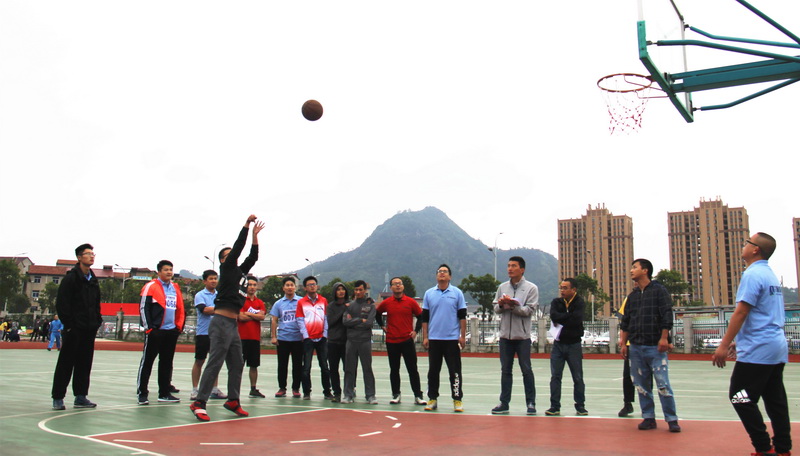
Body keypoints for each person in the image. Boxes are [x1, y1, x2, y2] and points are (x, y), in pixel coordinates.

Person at [712, 232, 791, 456]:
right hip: (775, 346)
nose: (744, 245)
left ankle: (763, 447)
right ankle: (783, 448)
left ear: (755, 249)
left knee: (740, 397)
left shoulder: (752, 274)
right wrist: (739, 341)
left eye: (748, 242)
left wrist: (724, 344)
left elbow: (741, 311)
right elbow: (763, 313)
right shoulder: (770, 275)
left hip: (759, 348)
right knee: (775, 401)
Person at [190, 215, 264, 421]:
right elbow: (239, 247)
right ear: (223, 259)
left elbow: (253, 257)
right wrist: (246, 226)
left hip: (232, 324)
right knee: (215, 362)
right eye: (228, 254)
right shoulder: (227, 268)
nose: (233, 255)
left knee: (237, 363)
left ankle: (233, 400)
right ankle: (199, 402)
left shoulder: (240, 273)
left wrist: (255, 236)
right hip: (221, 322)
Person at [619, 258, 681, 433]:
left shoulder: (659, 291)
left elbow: (666, 315)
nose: (631, 270)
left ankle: (671, 419)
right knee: (641, 385)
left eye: (635, 267)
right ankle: (648, 417)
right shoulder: (632, 296)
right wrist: (623, 343)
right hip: (636, 347)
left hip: (655, 346)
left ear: (645, 270)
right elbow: (626, 321)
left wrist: (664, 338)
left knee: (663, 383)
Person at [50, 243, 103, 410]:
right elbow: (62, 303)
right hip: (74, 329)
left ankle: (81, 396)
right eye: (88, 254)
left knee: (84, 363)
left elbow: (96, 303)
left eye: (93, 254)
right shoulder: (71, 278)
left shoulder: (93, 279)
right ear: (79, 257)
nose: (92, 256)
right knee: (66, 363)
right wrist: (70, 325)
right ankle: (58, 397)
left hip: (89, 328)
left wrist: (97, 321)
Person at [490, 256, 538, 415]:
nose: (510, 268)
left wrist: (512, 306)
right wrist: (502, 304)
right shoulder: (502, 287)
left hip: (522, 338)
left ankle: (531, 403)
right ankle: (504, 403)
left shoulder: (531, 288)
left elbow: (529, 310)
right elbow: (495, 308)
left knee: (526, 370)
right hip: (505, 337)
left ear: (522, 269)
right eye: (508, 265)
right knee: (505, 370)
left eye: (514, 266)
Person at [137, 260, 186, 405]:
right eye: (166, 270)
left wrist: (178, 327)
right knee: (147, 362)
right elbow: (143, 308)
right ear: (159, 272)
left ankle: (164, 393)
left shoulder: (175, 287)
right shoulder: (150, 286)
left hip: (171, 332)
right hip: (156, 331)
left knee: (166, 363)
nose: (169, 272)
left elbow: (180, 308)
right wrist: (150, 328)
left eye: (171, 269)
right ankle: (142, 393)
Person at [421, 264, 467, 413]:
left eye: (445, 271)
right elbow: (425, 318)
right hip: (434, 339)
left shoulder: (457, 293)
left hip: (452, 339)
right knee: (433, 371)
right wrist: (425, 336)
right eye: (439, 271)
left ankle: (457, 399)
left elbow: (462, 316)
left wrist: (462, 336)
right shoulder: (429, 293)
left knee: (455, 371)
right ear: (436, 276)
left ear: (450, 276)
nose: (442, 273)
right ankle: (432, 398)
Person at [376, 277, 426, 406]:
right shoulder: (387, 303)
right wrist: (382, 326)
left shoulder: (411, 302)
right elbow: (377, 313)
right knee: (394, 369)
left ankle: (418, 395)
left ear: (403, 286)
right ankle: (396, 394)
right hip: (392, 341)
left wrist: (416, 331)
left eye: (400, 283)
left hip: (407, 340)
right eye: (395, 284)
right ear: (391, 287)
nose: (398, 286)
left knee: (412, 369)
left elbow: (420, 316)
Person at [546, 278, 587, 416]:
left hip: (574, 344)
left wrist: (563, 318)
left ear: (573, 289)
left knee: (578, 376)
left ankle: (580, 405)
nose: (562, 290)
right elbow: (554, 316)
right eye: (561, 288)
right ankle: (554, 406)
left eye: (565, 288)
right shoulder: (556, 302)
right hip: (558, 344)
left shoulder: (579, 302)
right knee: (555, 376)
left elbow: (577, 319)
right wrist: (568, 317)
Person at [191, 270, 226, 401]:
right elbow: (204, 310)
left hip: (218, 334)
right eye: (211, 279)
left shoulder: (220, 295)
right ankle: (195, 390)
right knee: (199, 361)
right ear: (205, 281)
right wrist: (220, 308)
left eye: (215, 278)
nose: (213, 281)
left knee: (215, 362)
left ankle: (214, 389)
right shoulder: (200, 295)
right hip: (203, 333)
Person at [295, 276, 332, 400]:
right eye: (309, 284)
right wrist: (306, 336)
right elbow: (300, 320)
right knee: (306, 367)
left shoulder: (323, 300)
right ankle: (306, 392)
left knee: (325, 367)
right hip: (308, 340)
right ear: (305, 288)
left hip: (321, 339)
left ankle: (327, 391)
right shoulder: (301, 302)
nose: (312, 286)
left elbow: (326, 318)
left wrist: (325, 334)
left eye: (314, 284)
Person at [342, 280, 377, 404]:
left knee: (367, 368)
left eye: (360, 290)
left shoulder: (371, 306)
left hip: (365, 341)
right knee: (349, 369)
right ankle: (348, 394)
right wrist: (360, 320)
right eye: (356, 290)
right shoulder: (349, 306)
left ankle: (370, 395)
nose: (358, 292)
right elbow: (345, 322)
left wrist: (355, 322)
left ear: (365, 290)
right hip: (351, 341)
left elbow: (369, 323)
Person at [270, 276, 303, 398]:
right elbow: (274, 320)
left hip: (298, 339)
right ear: (283, 288)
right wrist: (274, 336)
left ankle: (296, 388)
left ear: (295, 287)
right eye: (287, 285)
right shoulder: (278, 303)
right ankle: (282, 388)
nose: (290, 287)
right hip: (283, 338)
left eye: (291, 285)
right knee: (282, 365)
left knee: (297, 365)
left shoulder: (301, 301)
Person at [239, 276, 267, 398]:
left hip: (254, 338)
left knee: (254, 365)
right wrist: (255, 315)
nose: (252, 287)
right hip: (241, 338)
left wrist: (248, 313)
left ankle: (253, 389)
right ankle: (235, 389)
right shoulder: (240, 300)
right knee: (238, 365)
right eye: (250, 285)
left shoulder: (259, 302)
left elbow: (262, 316)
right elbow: (241, 317)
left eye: (254, 285)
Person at [326, 282, 350, 402]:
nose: (341, 291)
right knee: (333, 369)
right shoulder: (331, 306)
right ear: (335, 292)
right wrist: (344, 310)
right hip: (333, 342)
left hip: (347, 341)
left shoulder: (350, 304)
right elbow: (331, 321)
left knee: (348, 368)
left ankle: (349, 391)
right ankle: (337, 392)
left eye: (343, 289)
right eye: (338, 289)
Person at [616, 296, 636, 417]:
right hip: (631, 344)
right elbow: (624, 322)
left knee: (647, 376)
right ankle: (627, 403)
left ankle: (649, 406)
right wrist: (623, 342)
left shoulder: (653, 295)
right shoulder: (630, 298)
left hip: (646, 343)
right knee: (628, 376)